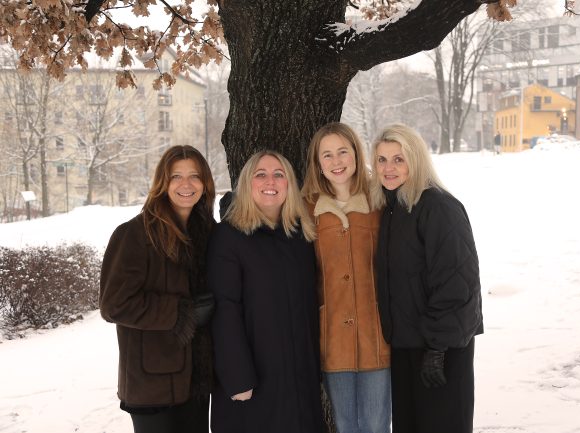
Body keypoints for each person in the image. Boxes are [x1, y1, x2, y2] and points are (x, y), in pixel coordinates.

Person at [370, 124, 484, 433]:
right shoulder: (393, 209)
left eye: (398, 159)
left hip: (441, 352)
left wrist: (437, 349)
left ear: (416, 160)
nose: (388, 168)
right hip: (406, 348)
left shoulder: (439, 207)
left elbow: (458, 285)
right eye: (381, 160)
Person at [100, 145, 216, 433]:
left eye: (195, 176)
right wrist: (181, 312)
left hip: (197, 381)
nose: (186, 185)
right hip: (150, 384)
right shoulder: (135, 234)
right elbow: (114, 304)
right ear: (162, 183)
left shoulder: (210, 234)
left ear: (205, 183)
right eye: (176, 176)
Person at [207, 150, 323, 433]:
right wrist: (238, 378)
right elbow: (224, 308)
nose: (270, 181)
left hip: (299, 379)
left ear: (289, 184)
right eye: (260, 174)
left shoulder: (300, 234)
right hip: (253, 380)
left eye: (278, 174)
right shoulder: (229, 236)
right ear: (247, 183)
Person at [302, 122, 391, 433]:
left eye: (342, 151)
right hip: (333, 340)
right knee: (345, 426)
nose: (336, 162)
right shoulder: (306, 209)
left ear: (356, 152)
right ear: (317, 162)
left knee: (376, 425)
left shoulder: (380, 202)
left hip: (377, 337)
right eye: (327, 155)